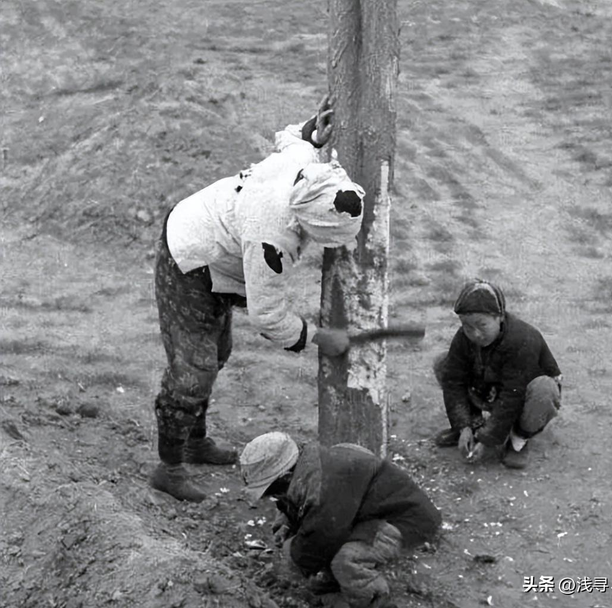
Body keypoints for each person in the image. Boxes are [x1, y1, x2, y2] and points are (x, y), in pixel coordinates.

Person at [151, 96, 366, 502]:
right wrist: (319, 338)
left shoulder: (310, 169)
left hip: (219, 249)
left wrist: (312, 130)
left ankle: (195, 442)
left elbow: (291, 140)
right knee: (193, 368)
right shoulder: (272, 237)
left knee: (217, 352)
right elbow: (268, 317)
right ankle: (169, 467)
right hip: (191, 256)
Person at [239, 432, 442, 608]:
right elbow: (295, 504)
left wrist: (288, 557)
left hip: (406, 519)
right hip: (364, 512)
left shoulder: (325, 486)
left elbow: (318, 542)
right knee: (323, 539)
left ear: (284, 476)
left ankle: (375, 601)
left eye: (269, 490)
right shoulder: (307, 465)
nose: (269, 497)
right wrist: (286, 523)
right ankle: (335, 582)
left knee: (345, 560)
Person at [433, 279, 563, 469]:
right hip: (493, 389)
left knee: (544, 389)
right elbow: (454, 382)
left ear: (499, 317)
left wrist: (488, 440)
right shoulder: (463, 339)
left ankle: (518, 439)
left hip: (524, 397)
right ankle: (474, 426)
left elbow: (513, 395)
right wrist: (463, 426)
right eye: (467, 326)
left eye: (482, 325)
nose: (475, 333)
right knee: (444, 365)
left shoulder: (523, 340)